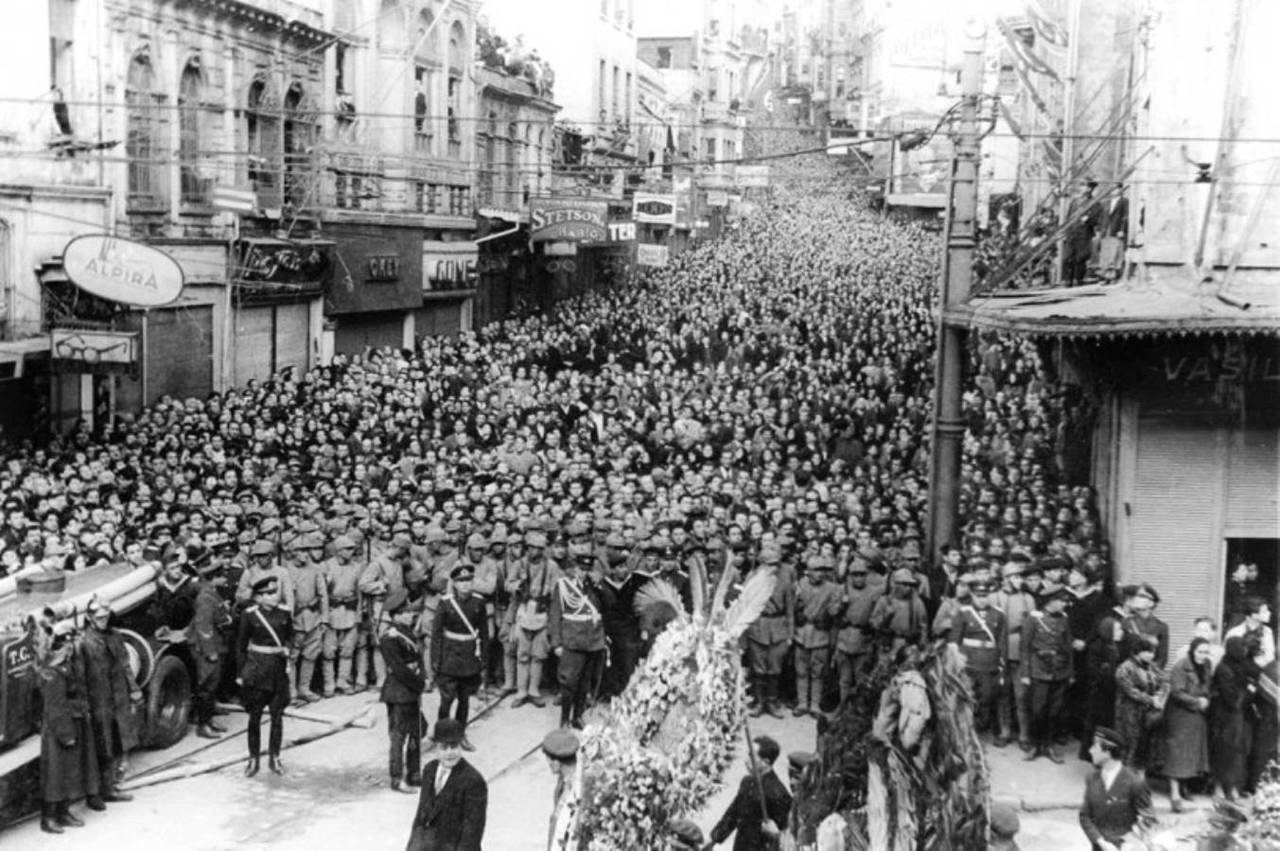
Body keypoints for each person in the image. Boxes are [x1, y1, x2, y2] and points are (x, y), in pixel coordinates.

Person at [37, 620, 99, 834]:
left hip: (72, 721)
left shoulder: (66, 666)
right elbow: (55, 708)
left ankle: (63, 812)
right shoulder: (53, 673)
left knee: (67, 773)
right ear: (61, 646)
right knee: (54, 776)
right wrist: (66, 734)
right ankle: (49, 817)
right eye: (68, 643)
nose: (72, 647)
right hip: (59, 729)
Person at [79, 599, 140, 807]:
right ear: (89, 618)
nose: (103, 621)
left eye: (105, 617)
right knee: (99, 746)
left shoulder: (115, 635)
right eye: (99, 618)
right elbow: (81, 676)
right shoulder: (85, 642)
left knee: (115, 742)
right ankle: (96, 793)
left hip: (117, 696)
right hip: (98, 701)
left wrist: (134, 689)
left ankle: (109, 788)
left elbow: (125, 664)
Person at [236, 575, 294, 777]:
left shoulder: (285, 613)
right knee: (255, 717)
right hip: (257, 671)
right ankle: (253, 759)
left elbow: (290, 637)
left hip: (278, 671)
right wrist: (240, 673)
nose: (273, 596)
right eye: (268, 593)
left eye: (275, 591)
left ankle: (275, 757)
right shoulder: (250, 615)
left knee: (277, 717)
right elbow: (241, 646)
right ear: (258, 597)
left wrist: (288, 649)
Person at [407, 718, 487, 851]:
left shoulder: (473, 781)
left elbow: (472, 833)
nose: (450, 753)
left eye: (454, 746)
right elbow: (421, 815)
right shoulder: (429, 770)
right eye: (444, 747)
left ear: (461, 746)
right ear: (436, 748)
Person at [431, 563, 488, 750]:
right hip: (449, 657)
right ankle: (441, 735)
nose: (465, 584)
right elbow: (437, 634)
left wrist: (483, 659)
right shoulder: (446, 603)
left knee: (464, 700)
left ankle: (460, 734)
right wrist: (435, 660)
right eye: (460, 581)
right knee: (446, 700)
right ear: (454, 584)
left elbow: (484, 633)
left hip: (469, 657)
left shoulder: (479, 602)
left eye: (468, 581)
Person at [548, 549, 607, 729]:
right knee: (569, 682)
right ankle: (565, 719)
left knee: (584, 682)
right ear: (574, 569)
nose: (584, 573)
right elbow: (555, 614)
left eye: (587, 569)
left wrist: (599, 586)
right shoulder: (564, 586)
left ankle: (577, 716)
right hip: (572, 640)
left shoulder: (596, 586)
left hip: (592, 640)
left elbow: (608, 606)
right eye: (581, 569)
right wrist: (556, 642)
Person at [706, 734, 792, 851]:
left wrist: (776, 835)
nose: (746, 760)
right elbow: (733, 813)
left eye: (751, 756)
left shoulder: (778, 794)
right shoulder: (747, 782)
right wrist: (714, 839)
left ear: (765, 762)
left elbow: (787, 835)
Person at [1079, 726, 1155, 851]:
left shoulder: (1134, 782)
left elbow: (1149, 818)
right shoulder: (1091, 779)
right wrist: (1101, 842)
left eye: (1095, 747)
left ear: (1107, 752)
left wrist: (1130, 842)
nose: (1090, 751)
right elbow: (1085, 816)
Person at [380, 588, 425, 793]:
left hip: (411, 689)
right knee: (398, 737)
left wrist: (421, 679)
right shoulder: (390, 637)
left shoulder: (406, 632)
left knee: (417, 730)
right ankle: (397, 778)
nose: (411, 614)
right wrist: (418, 684)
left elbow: (417, 659)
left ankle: (414, 773)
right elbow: (398, 668)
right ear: (396, 615)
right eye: (407, 612)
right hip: (399, 691)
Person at [744, 544, 795, 719]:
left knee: (775, 668)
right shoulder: (751, 578)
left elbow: (790, 610)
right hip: (758, 625)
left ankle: (772, 701)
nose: (774, 568)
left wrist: (790, 634)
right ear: (761, 565)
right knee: (758, 668)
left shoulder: (785, 581)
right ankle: (759, 702)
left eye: (776, 564)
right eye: (770, 564)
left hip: (778, 626)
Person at [1022, 587, 1072, 762]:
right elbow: (1025, 647)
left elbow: (1068, 647)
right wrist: (1026, 673)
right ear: (1051, 601)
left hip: (1060, 670)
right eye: (1061, 601)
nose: (1065, 604)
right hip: (1039, 669)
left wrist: (1070, 672)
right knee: (1037, 710)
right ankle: (1035, 745)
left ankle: (1049, 746)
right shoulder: (1034, 618)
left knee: (1054, 711)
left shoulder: (1064, 619)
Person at [1162, 636, 1212, 812]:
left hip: (1197, 716)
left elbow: (1208, 687)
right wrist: (1196, 701)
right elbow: (1176, 692)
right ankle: (1174, 793)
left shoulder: (1206, 666)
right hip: (1179, 715)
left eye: (1206, 652)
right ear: (1192, 650)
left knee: (1190, 754)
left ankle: (1184, 787)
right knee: (1176, 754)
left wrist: (1206, 699)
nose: (1203, 655)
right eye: (1200, 652)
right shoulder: (1180, 667)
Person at [792, 554, 841, 716]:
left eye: (823, 569)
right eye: (816, 569)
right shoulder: (800, 585)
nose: (820, 573)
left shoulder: (832, 588)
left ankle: (814, 705)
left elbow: (834, 610)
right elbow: (793, 606)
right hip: (802, 633)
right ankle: (802, 703)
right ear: (808, 571)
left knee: (818, 672)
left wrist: (828, 614)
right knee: (801, 671)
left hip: (820, 635)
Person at [191, 553, 232, 738]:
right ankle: (203, 725)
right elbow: (203, 627)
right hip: (210, 648)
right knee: (206, 687)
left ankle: (209, 720)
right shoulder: (206, 598)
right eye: (222, 575)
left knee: (212, 686)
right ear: (214, 577)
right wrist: (210, 652)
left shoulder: (212, 594)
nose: (225, 578)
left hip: (218, 644)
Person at [1209, 635, 1255, 801]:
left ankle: (1233, 787)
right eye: (1241, 647)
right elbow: (1232, 698)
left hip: (1237, 716)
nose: (1244, 651)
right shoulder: (1223, 668)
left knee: (1237, 752)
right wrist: (1249, 691)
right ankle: (1219, 787)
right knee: (1224, 751)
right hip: (1225, 716)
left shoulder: (1241, 666)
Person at [1112, 634, 1165, 774]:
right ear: (1137, 650)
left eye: (1153, 652)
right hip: (1128, 712)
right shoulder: (1125, 668)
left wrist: (1159, 694)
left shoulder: (1151, 667)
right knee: (1129, 746)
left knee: (1143, 747)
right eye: (1147, 651)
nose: (1151, 656)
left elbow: (1162, 681)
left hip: (1146, 714)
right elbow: (1130, 691)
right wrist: (1151, 699)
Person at [543, 727, 580, 849]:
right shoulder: (564, 779)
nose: (548, 764)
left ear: (556, 763)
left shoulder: (578, 793)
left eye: (548, 761)